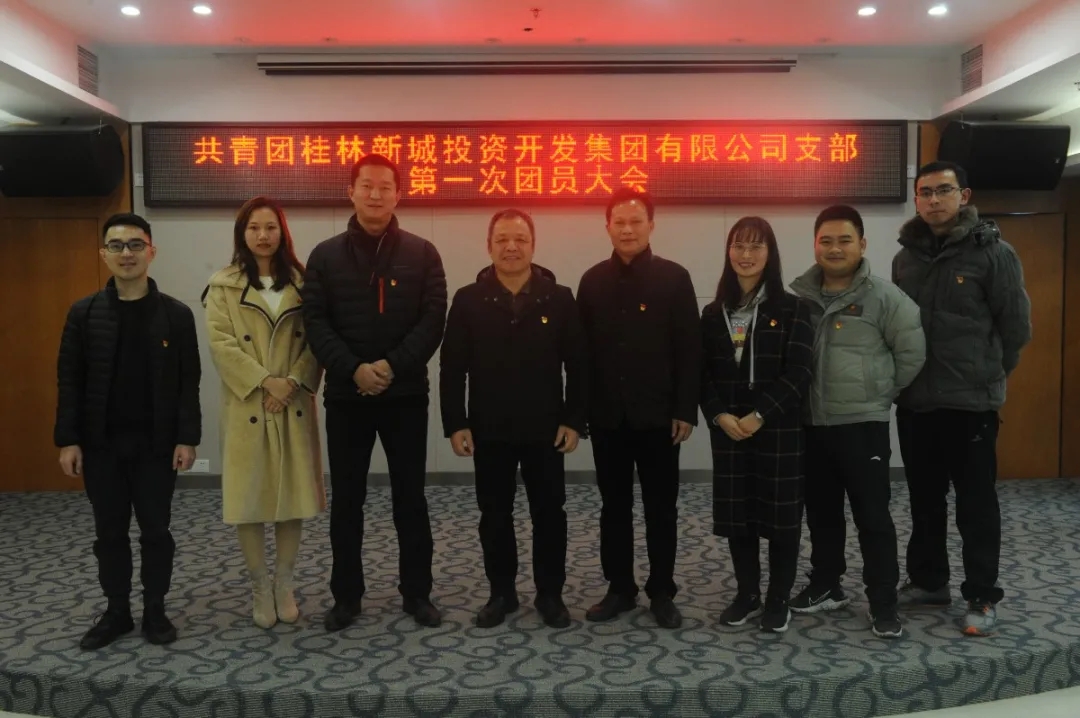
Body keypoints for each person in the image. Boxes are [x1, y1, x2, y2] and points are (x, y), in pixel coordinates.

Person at [301, 154, 447, 631]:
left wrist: (390, 366)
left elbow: (433, 320)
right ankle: (346, 597)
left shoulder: (423, 253)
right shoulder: (324, 256)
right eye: (366, 185)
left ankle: (417, 593)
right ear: (352, 191)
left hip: (406, 396)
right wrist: (354, 370)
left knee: (411, 498)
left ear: (399, 194)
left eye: (385, 187)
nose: (376, 194)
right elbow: (315, 322)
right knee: (348, 501)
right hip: (348, 398)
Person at [892, 161, 1032, 637]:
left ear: (964, 195)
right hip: (916, 402)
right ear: (916, 199)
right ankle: (930, 581)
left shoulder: (994, 254)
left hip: (971, 405)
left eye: (943, 190)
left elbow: (1016, 328)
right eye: (925, 192)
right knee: (924, 500)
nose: (934, 200)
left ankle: (981, 594)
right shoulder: (905, 258)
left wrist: (988, 375)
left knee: (976, 505)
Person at [55, 212, 201, 650]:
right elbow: (69, 381)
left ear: (151, 251)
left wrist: (187, 437)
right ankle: (117, 611)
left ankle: (155, 609)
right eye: (116, 246)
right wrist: (68, 440)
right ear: (104, 254)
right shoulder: (83, 313)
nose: (127, 254)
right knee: (109, 533)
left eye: (136, 245)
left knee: (156, 531)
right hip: (101, 446)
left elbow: (188, 382)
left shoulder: (176, 315)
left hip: (157, 445)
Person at [440, 209, 587, 629]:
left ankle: (550, 594)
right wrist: (456, 423)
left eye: (520, 239)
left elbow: (579, 366)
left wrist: (574, 420)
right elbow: (452, 368)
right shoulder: (468, 299)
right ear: (488, 246)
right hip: (489, 428)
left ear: (533, 246)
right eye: (502, 239)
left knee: (550, 513)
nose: (511, 247)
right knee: (494, 514)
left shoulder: (559, 298)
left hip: (546, 428)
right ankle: (501, 593)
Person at [789, 205, 925, 639]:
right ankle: (827, 584)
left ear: (862, 244)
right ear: (815, 245)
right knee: (822, 513)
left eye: (844, 240)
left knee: (873, 517)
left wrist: (880, 393)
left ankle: (883, 602)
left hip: (862, 425)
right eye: (826, 240)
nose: (835, 248)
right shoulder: (800, 300)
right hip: (812, 425)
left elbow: (911, 354)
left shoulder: (885, 298)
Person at [575, 188, 701, 629]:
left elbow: (690, 349)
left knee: (661, 508)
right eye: (619, 222)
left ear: (651, 225)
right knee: (614, 507)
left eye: (636, 221)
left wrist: (685, 408)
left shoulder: (674, 278)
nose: (627, 229)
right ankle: (620, 588)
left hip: (660, 418)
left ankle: (662, 590)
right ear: (607, 227)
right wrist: (581, 411)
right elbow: (581, 355)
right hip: (607, 417)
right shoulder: (592, 281)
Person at [203, 196, 325, 629]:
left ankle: (284, 584)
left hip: (292, 402)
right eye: (254, 227)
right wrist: (264, 382)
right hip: (249, 403)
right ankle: (259, 585)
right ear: (242, 234)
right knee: (250, 498)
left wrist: (291, 382)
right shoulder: (223, 285)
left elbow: (318, 338)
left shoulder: (304, 283)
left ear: (282, 232)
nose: (263, 235)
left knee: (292, 498)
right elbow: (221, 344)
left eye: (271, 227)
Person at [700, 216, 813, 634]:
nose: (746, 255)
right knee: (739, 517)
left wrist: (760, 414)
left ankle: (777, 597)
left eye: (756, 246)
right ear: (728, 252)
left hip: (777, 429)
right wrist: (719, 415)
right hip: (730, 429)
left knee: (781, 519)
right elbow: (701, 374)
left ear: (770, 254)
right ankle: (747, 593)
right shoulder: (713, 313)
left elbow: (799, 372)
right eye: (738, 246)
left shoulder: (793, 308)